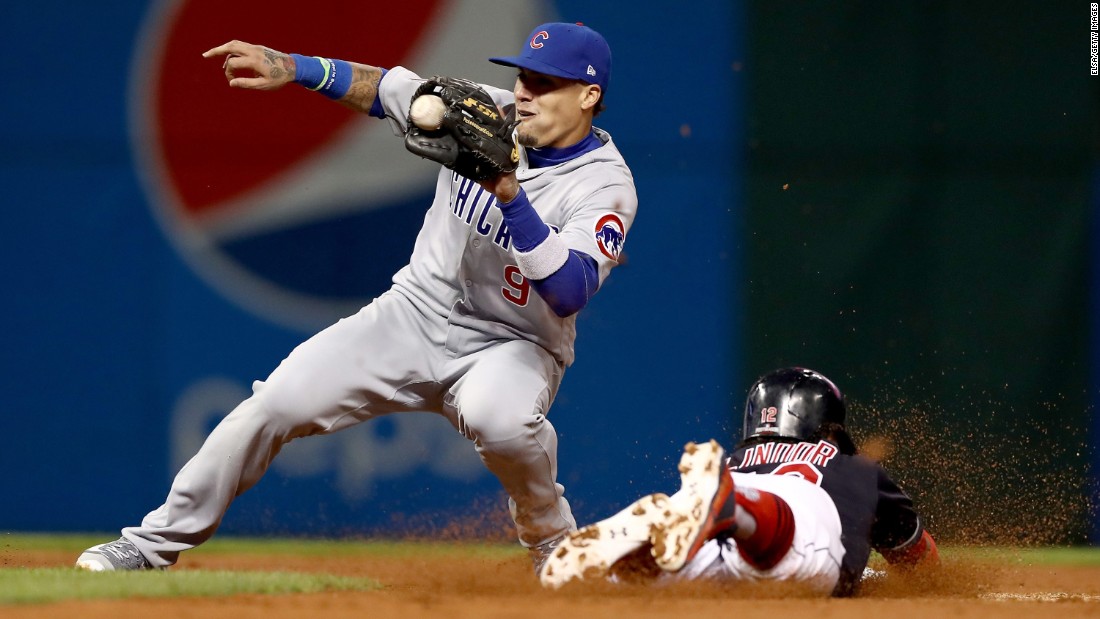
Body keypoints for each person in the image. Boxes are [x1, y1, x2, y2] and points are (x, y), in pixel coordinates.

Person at [75, 22, 636, 574]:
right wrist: (293, 66)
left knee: (503, 420)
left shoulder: (604, 185)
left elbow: (567, 293)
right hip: (415, 312)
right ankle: (149, 545)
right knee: (276, 403)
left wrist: (509, 194)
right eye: (522, 78)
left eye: (545, 83)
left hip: (513, 342)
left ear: (589, 96)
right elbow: (385, 87)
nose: (524, 93)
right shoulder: (485, 114)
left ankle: (551, 542)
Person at [540, 367, 939, 596]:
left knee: (679, 572)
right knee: (797, 553)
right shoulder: (853, 468)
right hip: (787, 518)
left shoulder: (735, 459)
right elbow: (921, 565)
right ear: (827, 428)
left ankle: (619, 567)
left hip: (715, 544)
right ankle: (735, 508)